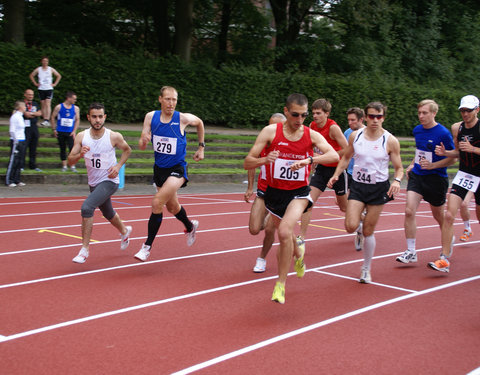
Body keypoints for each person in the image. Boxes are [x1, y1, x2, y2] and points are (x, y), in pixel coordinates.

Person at [244, 93, 339, 304]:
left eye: (304, 115)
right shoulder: (270, 132)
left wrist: (310, 159)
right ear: (286, 111)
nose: (299, 119)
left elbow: (334, 156)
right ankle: (299, 253)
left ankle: (280, 285)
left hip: (299, 193)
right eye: (295, 114)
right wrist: (264, 159)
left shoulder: (310, 134)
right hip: (275, 193)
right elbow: (247, 162)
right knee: (286, 234)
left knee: (285, 231)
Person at [328, 102, 403, 283]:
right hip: (359, 186)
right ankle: (358, 230)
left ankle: (366, 268)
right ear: (366, 118)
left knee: (370, 230)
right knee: (350, 226)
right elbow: (346, 157)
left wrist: (397, 180)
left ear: (383, 117)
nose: (375, 120)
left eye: (379, 116)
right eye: (371, 116)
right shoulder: (356, 136)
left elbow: (399, 168)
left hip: (378, 188)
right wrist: (336, 174)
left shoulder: (390, 140)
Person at [134, 86, 205, 262]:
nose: (171, 103)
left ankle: (146, 247)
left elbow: (200, 123)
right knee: (173, 207)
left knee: (157, 202)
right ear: (160, 99)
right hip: (159, 169)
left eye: (174, 100)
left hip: (178, 169)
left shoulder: (182, 118)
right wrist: (143, 141)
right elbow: (142, 143)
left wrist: (201, 147)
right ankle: (190, 226)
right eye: (167, 99)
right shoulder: (151, 117)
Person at [68, 103, 132, 263]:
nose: (97, 120)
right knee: (108, 213)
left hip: (110, 181)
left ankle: (84, 250)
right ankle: (124, 231)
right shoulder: (82, 137)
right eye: (94, 117)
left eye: (100, 116)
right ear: (88, 117)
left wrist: (118, 166)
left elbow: (127, 150)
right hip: (94, 183)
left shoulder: (113, 136)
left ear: (105, 117)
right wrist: (79, 156)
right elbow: (70, 161)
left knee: (87, 207)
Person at [396, 100, 455, 264]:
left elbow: (452, 159)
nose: (421, 116)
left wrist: (433, 165)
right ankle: (411, 251)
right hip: (418, 176)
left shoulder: (443, 133)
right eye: (419, 113)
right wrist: (412, 163)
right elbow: (420, 151)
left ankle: (448, 236)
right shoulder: (417, 130)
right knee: (409, 211)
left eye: (425, 113)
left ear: (434, 113)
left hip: (436, 179)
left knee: (439, 217)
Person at [428, 95, 480, 273]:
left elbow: (470, 150)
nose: (465, 114)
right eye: (463, 110)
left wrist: (474, 149)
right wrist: (445, 153)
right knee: (449, 216)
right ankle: (444, 258)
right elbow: (459, 153)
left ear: (477, 110)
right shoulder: (457, 128)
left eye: (469, 110)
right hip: (465, 175)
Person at [298, 99, 348, 247]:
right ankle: (301, 237)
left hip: (336, 170)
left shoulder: (333, 128)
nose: (315, 116)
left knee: (344, 208)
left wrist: (328, 156)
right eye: (313, 113)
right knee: (308, 202)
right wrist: (314, 159)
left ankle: (360, 222)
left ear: (326, 113)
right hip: (321, 170)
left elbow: (347, 148)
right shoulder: (312, 126)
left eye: (318, 113)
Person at [245, 113, 286, 273]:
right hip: (264, 190)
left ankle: (261, 258)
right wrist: (250, 188)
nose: (273, 129)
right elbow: (250, 162)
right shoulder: (263, 142)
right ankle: (270, 216)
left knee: (270, 229)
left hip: (282, 193)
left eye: (277, 126)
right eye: (270, 126)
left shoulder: (289, 144)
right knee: (254, 229)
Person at [344, 107, 365, 250]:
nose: (350, 123)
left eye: (353, 120)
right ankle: (361, 225)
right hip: (349, 173)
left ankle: (362, 229)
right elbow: (346, 153)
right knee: (343, 203)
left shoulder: (368, 133)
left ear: (361, 120)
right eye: (349, 120)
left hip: (363, 175)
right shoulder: (347, 133)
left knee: (356, 205)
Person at [51, 91, 80, 172]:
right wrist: (54, 129)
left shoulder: (76, 108)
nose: (75, 100)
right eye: (74, 99)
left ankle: (72, 165)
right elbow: (53, 117)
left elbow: (77, 120)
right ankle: (64, 166)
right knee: (62, 148)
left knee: (72, 149)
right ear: (68, 98)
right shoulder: (59, 107)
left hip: (70, 132)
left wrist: (74, 131)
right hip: (60, 131)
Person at [29, 56, 61, 127]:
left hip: (49, 88)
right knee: (43, 104)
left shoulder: (51, 69)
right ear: (41, 61)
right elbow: (31, 75)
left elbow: (58, 76)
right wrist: (35, 83)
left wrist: (54, 84)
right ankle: (44, 120)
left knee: (47, 103)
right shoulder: (39, 69)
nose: (45, 62)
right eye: (43, 61)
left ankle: (47, 119)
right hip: (41, 88)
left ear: (48, 62)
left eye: (46, 61)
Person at [6, 101, 27, 187]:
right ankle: (9, 180)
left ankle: (17, 179)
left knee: (20, 161)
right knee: (13, 161)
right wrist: (15, 140)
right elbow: (12, 130)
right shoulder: (15, 117)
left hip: (22, 140)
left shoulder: (21, 117)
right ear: (20, 107)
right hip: (17, 141)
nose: (25, 107)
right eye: (24, 106)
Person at [22, 89, 43, 171]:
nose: (31, 96)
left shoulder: (35, 104)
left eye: (32, 95)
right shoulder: (22, 104)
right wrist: (32, 114)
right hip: (25, 128)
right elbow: (25, 114)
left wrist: (31, 114)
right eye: (29, 94)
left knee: (33, 147)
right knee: (24, 147)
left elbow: (40, 113)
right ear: (25, 95)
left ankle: (33, 165)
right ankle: (21, 165)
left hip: (34, 127)